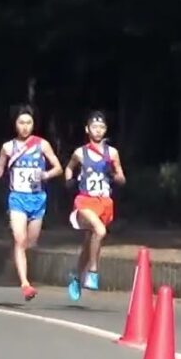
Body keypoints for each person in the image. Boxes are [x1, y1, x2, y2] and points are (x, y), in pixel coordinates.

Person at [0, 105, 63, 301]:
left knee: (30, 242)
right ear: (15, 124)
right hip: (17, 198)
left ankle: (17, 261)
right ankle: (25, 283)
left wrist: (46, 174)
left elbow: (58, 167)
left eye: (28, 123)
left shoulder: (42, 145)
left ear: (33, 124)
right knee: (20, 239)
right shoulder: (8, 147)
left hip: (37, 199)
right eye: (21, 122)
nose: (25, 127)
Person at [62, 110, 126, 302]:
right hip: (84, 201)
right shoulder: (80, 153)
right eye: (94, 127)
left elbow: (121, 177)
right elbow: (69, 168)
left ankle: (75, 275)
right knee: (100, 231)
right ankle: (93, 271)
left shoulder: (112, 153)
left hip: (104, 202)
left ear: (105, 130)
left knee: (90, 241)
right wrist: (68, 180)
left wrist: (115, 175)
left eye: (101, 127)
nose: (98, 130)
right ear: (87, 129)